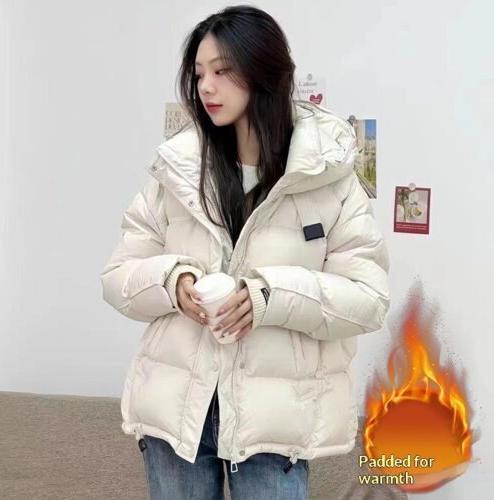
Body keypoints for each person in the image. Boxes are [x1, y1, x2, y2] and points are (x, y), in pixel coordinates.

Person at [100, 5, 390, 500]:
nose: (205, 87)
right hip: (178, 418)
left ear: (264, 70)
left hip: (275, 420)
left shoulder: (330, 179)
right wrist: (174, 283)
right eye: (198, 74)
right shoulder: (178, 171)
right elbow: (117, 277)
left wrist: (269, 297)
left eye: (221, 71)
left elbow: (368, 299)